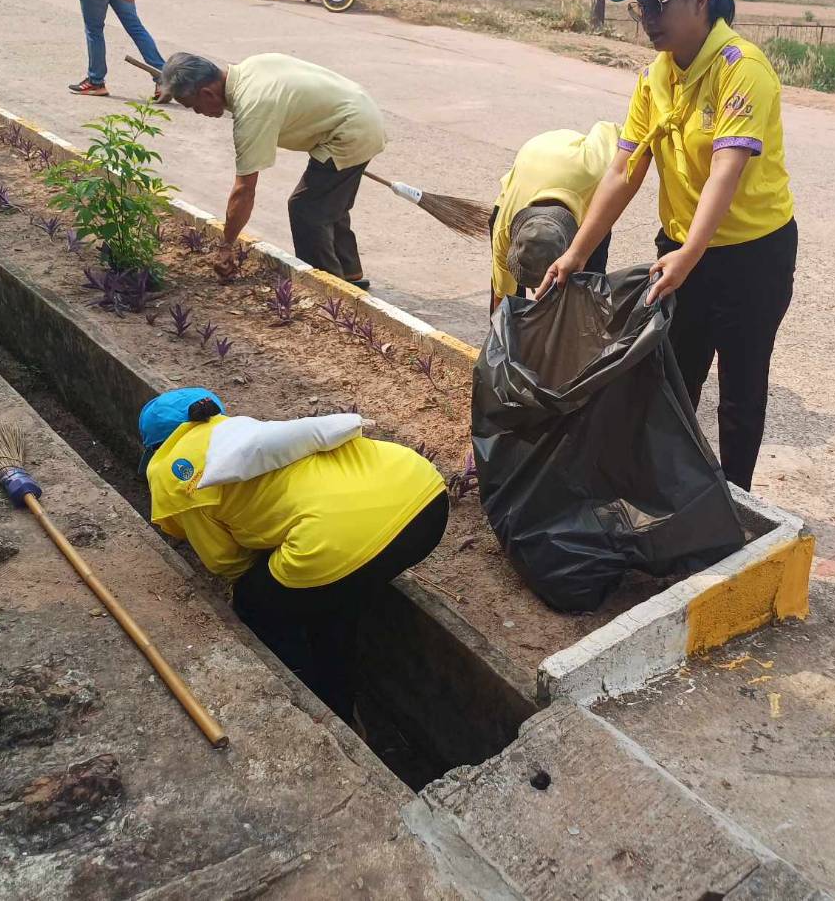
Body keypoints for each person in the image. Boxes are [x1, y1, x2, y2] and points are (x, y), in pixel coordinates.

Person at [540, 0, 796, 492]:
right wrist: (576, 252)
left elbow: (726, 171)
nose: (648, 19)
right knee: (674, 377)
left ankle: (738, 500)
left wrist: (690, 255)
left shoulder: (741, 69)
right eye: (641, 7)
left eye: (659, 4)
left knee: (741, 388)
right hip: (681, 249)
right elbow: (623, 171)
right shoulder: (655, 77)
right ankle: (674, 491)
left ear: (701, 0)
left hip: (752, 255)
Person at [137, 387, 448, 727]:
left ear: (156, 447)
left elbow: (225, 562)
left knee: (255, 600)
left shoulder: (171, 473)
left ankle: (308, 693)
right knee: (334, 598)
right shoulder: (249, 431)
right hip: (425, 497)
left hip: (335, 543)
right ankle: (342, 696)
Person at [155, 51, 384, 288]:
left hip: (351, 130)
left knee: (306, 209)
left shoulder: (251, 110)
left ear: (207, 93)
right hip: (360, 109)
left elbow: (244, 191)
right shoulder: (251, 67)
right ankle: (349, 271)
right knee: (328, 200)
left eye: (193, 106)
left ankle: (329, 290)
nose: (197, 112)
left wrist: (226, 245)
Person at [489, 122, 618, 310]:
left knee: (588, 286)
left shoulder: (594, 169)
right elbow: (501, 298)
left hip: (572, 163)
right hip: (534, 156)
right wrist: (503, 324)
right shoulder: (505, 230)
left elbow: (611, 130)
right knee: (510, 306)